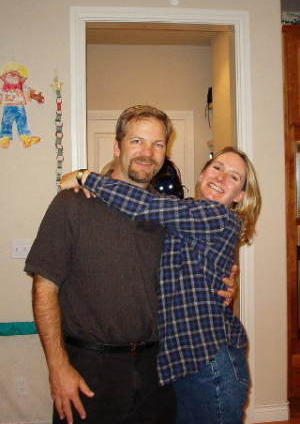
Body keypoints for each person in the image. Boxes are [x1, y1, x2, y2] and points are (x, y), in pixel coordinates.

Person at [25, 105, 237, 424]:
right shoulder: (72, 204)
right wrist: (58, 367)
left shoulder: (170, 215)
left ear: (166, 153)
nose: (147, 153)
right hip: (91, 368)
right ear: (117, 146)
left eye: (158, 144)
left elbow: (192, 276)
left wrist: (221, 288)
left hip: (158, 370)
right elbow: (44, 288)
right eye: (137, 141)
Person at [61, 146, 261, 424]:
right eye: (217, 167)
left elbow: (147, 205)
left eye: (234, 177)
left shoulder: (214, 216)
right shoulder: (185, 214)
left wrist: (86, 177)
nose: (221, 177)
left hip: (211, 363)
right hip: (184, 364)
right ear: (203, 173)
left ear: (240, 196)